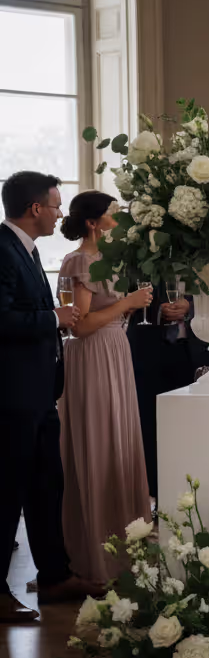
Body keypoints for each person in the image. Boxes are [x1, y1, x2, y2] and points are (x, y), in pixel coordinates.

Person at [0, 171, 102, 623]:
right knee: (7, 496)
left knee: (46, 487)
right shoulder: (1, 249)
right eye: (56, 204)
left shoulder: (27, 249)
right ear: (35, 208)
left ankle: (56, 576)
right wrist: (54, 318)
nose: (62, 211)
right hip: (12, 396)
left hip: (39, 392)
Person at [57, 191, 154, 584]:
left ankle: (126, 550)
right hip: (93, 355)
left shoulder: (109, 260)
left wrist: (124, 308)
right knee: (99, 443)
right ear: (94, 223)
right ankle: (96, 555)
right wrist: (126, 302)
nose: (120, 219)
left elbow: (106, 314)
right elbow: (78, 326)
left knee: (120, 442)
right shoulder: (79, 259)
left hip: (115, 349)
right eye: (114, 214)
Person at [127, 279, 209, 500]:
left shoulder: (202, 254)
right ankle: (158, 497)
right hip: (150, 352)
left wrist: (191, 306)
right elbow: (123, 298)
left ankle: (195, 496)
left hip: (194, 353)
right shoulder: (138, 249)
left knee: (193, 427)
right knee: (151, 425)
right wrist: (156, 310)